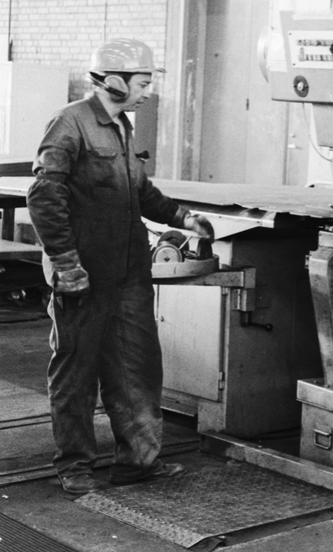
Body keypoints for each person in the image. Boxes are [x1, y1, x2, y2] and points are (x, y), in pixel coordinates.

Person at [26, 38, 214, 497]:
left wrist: (182, 218)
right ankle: (75, 465)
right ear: (113, 80)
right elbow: (44, 197)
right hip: (84, 274)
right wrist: (67, 265)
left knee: (137, 369)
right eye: (143, 82)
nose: (148, 91)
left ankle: (138, 462)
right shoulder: (70, 123)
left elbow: (139, 191)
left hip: (129, 274)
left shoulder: (123, 127)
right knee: (76, 372)